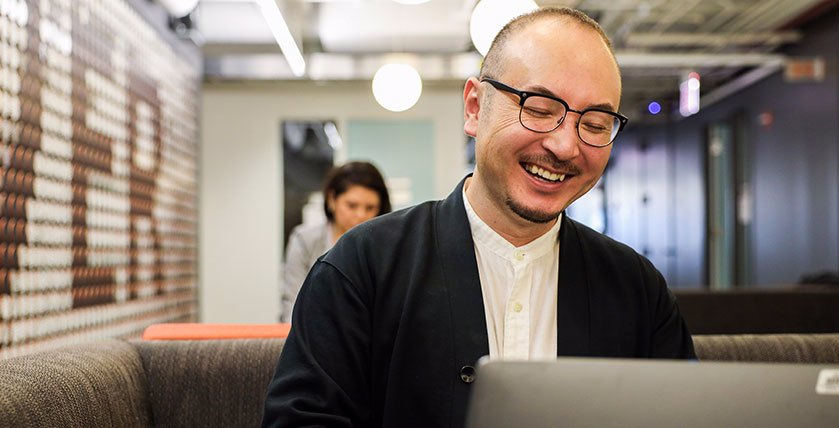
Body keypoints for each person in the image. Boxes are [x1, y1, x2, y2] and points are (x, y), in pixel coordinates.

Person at [263, 7, 695, 428]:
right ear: (474, 107)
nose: (565, 146)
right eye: (540, 108)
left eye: (596, 124)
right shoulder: (361, 268)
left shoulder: (636, 288)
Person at [280, 161, 391, 322]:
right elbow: (292, 305)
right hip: (313, 336)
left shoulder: (387, 247)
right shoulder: (305, 240)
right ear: (332, 200)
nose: (361, 215)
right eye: (352, 206)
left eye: (370, 208)